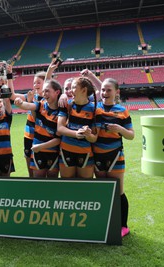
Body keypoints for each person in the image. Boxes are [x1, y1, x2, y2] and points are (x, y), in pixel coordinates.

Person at [88, 75, 135, 238]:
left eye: (109, 90)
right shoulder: (94, 108)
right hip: (97, 157)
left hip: (116, 156)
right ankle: (105, 222)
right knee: (103, 191)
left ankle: (123, 226)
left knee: (119, 192)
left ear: (117, 92)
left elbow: (131, 135)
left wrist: (119, 129)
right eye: (102, 90)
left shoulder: (122, 111)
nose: (105, 92)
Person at [15, 79, 62, 178]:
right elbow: (28, 105)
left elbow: (58, 139)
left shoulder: (61, 113)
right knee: (38, 183)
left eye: (47, 91)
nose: (44, 94)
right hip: (38, 152)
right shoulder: (40, 105)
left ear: (57, 92)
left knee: (52, 184)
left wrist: (41, 146)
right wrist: (20, 103)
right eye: (43, 91)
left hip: (52, 152)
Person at [57, 77, 98, 179]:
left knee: (85, 188)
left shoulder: (94, 109)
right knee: (67, 187)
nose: (70, 90)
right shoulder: (67, 105)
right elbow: (60, 128)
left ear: (84, 90)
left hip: (85, 153)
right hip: (66, 150)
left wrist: (88, 135)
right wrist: (76, 134)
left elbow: (94, 138)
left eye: (74, 87)